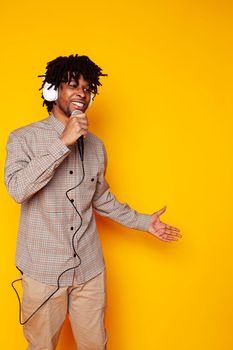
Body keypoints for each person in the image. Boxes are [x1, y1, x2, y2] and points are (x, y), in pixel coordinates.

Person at [4, 54, 182, 350]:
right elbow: (18, 189)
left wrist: (143, 221)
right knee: (41, 346)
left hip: (89, 269)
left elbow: (101, 199)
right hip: (43, 272)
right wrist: (62, 143)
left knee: (95, 344)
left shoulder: (97, 146)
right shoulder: (23, 138)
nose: (81, 93)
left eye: (87, 88)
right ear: (51, 90)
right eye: (72, 85)